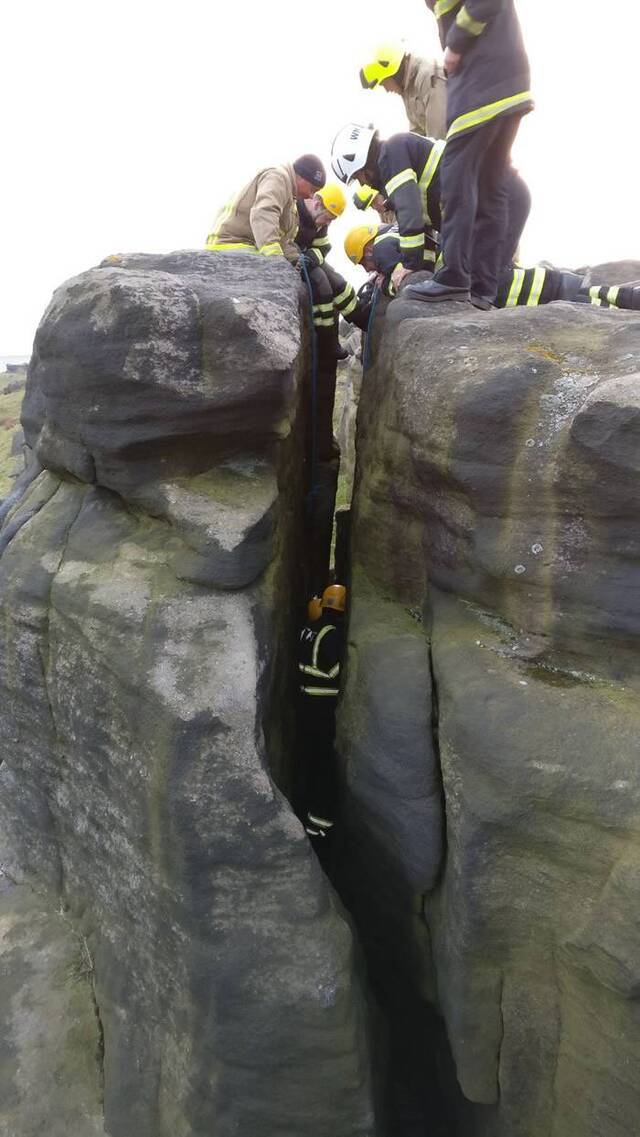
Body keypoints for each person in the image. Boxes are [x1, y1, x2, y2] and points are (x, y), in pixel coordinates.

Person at [407, 0, 533, 305]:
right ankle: (483, 289)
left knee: (456, 178)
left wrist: (455, 42)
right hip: (507, 84)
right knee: (492, 187)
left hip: (481, 88)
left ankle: (454, 276)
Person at [331, 123, 528, 297]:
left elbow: (411, 214)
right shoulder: (398, 157)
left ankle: (557, 287)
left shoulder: (391, 153)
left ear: (359, 162)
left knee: (489, 281)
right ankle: (555, 288)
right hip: (502, 199)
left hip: (500, 199)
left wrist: (408, 266)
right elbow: (422, 233)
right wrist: (420, 273)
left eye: (357, 177)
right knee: (487, 280)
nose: (363, 183)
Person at [343, 221, 640, 313]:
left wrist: (382, 282)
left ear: (367, 248)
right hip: (521, 278)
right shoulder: (406, 234)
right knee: (600, 295)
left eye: (364, 261)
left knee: (593, 303)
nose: (369, 267)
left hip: (515, 290)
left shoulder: (382, 247)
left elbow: (399, 281)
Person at [297, 585, 347, 848]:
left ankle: (307, 814)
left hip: (306, 703)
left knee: (310, 761)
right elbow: (336, 669)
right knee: (323, 766)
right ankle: (320, 825)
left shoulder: (309, 628)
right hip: (321, 707)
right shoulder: (330, 635)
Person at [205, 154, 325, 259]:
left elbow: (282, 239)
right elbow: (264, 213)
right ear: (301, 177)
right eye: (312, 189)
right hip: (231, 244)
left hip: (248, 245)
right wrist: (275, 256)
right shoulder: (278, 177)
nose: (311, 196)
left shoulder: (291, 198)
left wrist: (294, 258)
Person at [296, 183, 365, 352]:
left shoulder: (321, 223)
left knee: (336, 280)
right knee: (322, 283)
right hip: (295, 262)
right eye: (327, 218)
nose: (328, 223)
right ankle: (326, 339)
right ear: (317, 204)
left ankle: (359, 315)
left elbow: (323, 247)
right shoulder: (294, 212)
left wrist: (313, 257)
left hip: (307, 259)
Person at [359, 42, 447, 138]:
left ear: (394, 74)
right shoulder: (407, 90)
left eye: (384, 83)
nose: (387, 90)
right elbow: (417, 136)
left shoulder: (427, 78)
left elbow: (440, 133)